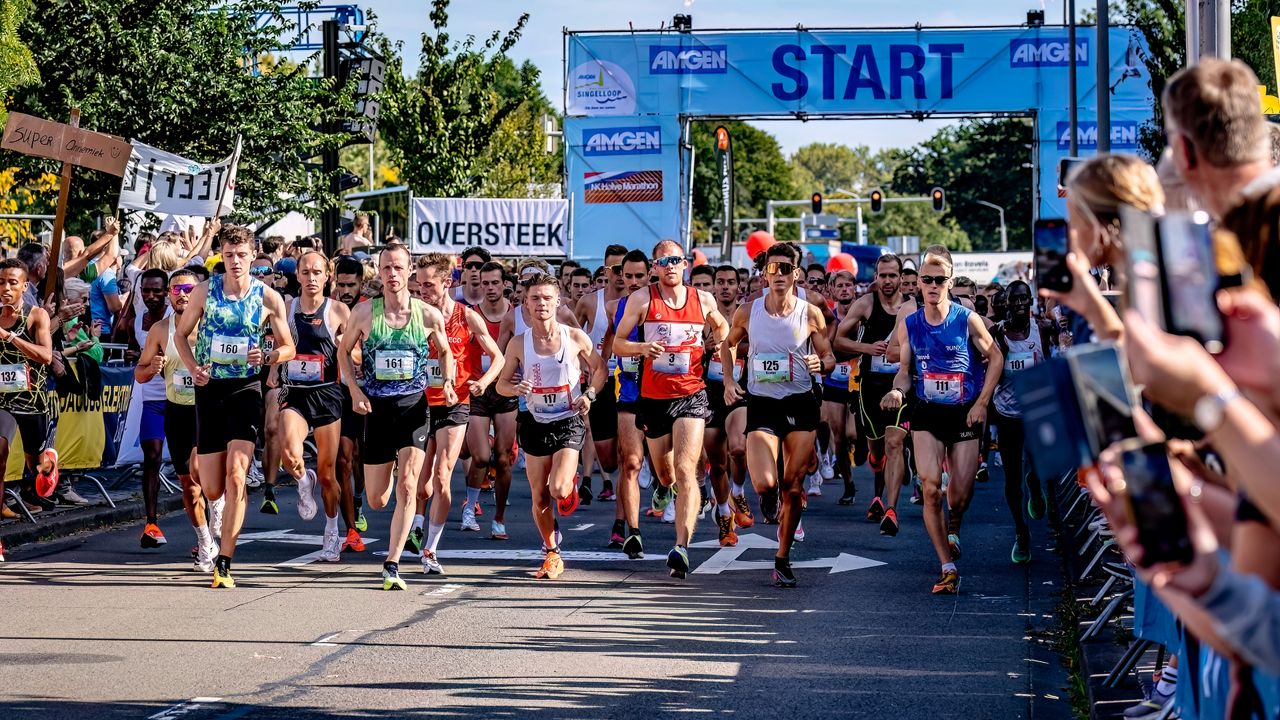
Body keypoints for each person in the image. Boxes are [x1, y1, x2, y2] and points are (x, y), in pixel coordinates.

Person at [174, 225, 296, 589]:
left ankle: (224, 562)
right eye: (229, 255)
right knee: (212, 488)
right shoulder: (203, 291)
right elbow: (181, 336)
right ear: (221, 256)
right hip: (210, 390)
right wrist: (194, 367)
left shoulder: (267, 297)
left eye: (242, 255)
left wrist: (271, 355)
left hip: (246, 389)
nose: (236, 262)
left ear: (252, 254)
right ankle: (215, 497)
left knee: (238, 474)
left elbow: (289, 346)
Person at [882, 249, 1002, 594]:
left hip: (964, 413)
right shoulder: (911, 324)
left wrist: (982, 403)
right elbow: (904, 372)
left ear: (949, 283)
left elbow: (995, 357)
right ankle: (946, 567)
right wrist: (898, 393)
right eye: (926, 279)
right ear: (918, 283)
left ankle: (955, 524)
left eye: (939, 280)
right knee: (931, 488)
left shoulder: (967, 319)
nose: (932, 285)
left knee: (960, 494)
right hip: (928, 413)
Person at [338, 245, 455, 590]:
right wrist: (355, 391)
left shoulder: (428, 315)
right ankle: (384, 475)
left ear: (409, 273)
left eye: (398, 267)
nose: (392, 274)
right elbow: (344, 352)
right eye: (386, 267)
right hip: (375, 409)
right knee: (377, 499)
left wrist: (447, 382)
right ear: (379, 271)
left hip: (413, 407)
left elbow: (445, 351)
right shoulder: (364, 313)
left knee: (409, 485)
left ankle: (392, 563)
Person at [613, 240, 729, 579]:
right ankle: (663, 489)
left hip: (692, 394)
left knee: (685, 467)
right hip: (652, 398)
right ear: (654, 267)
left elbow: (721, 327)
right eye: (663, 261)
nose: (670, 266)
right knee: (665, 474)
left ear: (686, 263)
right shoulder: (642, 299)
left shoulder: (702, 299)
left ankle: (681, 546)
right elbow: (618, 343)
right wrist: (642, 347)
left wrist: (712, 344)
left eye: (676, 260)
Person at [721, 243, 835, 587]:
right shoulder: (747, 311)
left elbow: (829, 356)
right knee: (765, 483)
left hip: (800, 403)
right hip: (762, 402)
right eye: (774, 268)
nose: (780, 274)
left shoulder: (810, 312)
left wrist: (821, 364)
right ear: (764, 273)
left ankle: (782, 556)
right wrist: (729, 379)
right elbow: (727, 344)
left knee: (793, 486)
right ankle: (765, 497)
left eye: (787, 269)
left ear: (796, 274)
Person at [496, 273, 606, 580]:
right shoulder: (519, 344)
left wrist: (590, 395)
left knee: (557, 488)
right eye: (535, 298)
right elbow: (502, 383)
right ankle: (551, 552)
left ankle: (567, 489)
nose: (541, 304)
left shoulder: (574, 337)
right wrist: (515, 389)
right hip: (534, 421)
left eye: (547, 298)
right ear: (526, 304)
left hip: (568, 420)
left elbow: (599, 369)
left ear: (557, 301)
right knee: (539, 497)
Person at [408, 253, 503, 573]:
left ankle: (430, 550)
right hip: (418, 404)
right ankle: (417, 522)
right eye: (418, 284)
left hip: (455, 404)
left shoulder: (467, 317)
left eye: (429, 284)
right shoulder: (412, 315)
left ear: (447, 282)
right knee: (418, 483)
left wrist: (484, 381)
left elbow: (498, 357)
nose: (422, 290)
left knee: (441, 476)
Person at [135, 267, 220, 571]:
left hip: (209, 408)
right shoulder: (160, 330)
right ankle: (205, 540)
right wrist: (153, 366)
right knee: (188, 483)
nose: (182, 295)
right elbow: (140, 374)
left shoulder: (213, 323)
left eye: (188, 290)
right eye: (176, 290)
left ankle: (218, 502)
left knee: (200, 471)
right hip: (177, 409)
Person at [274, 251, 351, 562]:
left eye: (317, 272)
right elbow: (277, 344)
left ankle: (332, 530)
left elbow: (353, 350)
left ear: (327, 275)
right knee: (289, 452)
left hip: (328, 394)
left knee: (329, 474)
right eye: (305, 272)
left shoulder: (338, 311)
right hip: (296, 393)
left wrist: (351, 350)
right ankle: (303, 480)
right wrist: (271, 370)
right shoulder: (287, 308)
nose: (311, 278)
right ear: (298, 276)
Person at [838, 254, 910, 534]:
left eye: (893, 275)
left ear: (901, 277)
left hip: (901, 385)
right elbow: (839, 340)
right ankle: (877, 470)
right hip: (870, 386)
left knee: (895, 443)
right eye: (883, 276)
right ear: (876, 277)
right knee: (877, 449)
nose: (888, 281)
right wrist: (868, 348)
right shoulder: (866, 304)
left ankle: (891, 509)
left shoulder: (911, 307)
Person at [989, 280, 1050, 564]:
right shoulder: (996, 334)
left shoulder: (1043, 330)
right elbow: (989, 371)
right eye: (1014, 300)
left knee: (1037, 468)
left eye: (1025, 298)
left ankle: (1035, 488)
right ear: (1006, 304)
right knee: (1012, 480)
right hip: (1007, 413)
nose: (1020, 304)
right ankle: (1021, 533)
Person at [598, 250, 652, 558]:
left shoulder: (658, 306)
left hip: (661, 394)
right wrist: (600, 367)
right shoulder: (612, 307)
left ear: (649, 275)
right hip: (628, 391)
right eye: (627, 276)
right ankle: (629, 529)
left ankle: (662, 488)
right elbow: (609, 339)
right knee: (627, 462)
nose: (632, 282)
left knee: (667, 470)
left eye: (638, 276)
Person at [464, 262, 519, 539]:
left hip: (505, 391)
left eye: (495, 283)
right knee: (481, 456)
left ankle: (499, 518)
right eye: (484, 283)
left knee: (503, 459)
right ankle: (470, 506)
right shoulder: (471, 315)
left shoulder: (516, 315)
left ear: (504, 284)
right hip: (477, 391)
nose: (490, 288)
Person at [573, 244, 627, 505]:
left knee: (630, 447)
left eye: (623, 269)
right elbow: (571, 338)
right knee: (608, 459)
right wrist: (581, 361)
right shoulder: (589, 301)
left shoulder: (639, 300)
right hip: (601, 380)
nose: (619, 274)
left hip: (631, 380)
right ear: (606, 270)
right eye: (615, 269)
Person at [0, 259, 54, 518]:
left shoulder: (36, 315)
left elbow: (46, 356)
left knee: (36, 465)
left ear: (24, 286)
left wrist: (10, 337)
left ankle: (48, 465)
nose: (6, 288)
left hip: (31, 400)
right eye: (1, 282)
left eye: (12, 283)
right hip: (2, 401)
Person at [703, 264, 751, 546]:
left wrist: (733, 347)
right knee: (717, 464)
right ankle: (724, 516)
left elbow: (758, 346)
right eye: (719, 282)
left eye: (729, 282)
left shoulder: (747, 315)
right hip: (709, 394)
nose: (724, 287)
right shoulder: (703, 318)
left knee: (738, 448)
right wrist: (705, 348)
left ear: (738, 287)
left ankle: (740, 490)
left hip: (740, 391)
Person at [131, 268, 175, 548]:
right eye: (145, 290)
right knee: (152, 457)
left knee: (191, 466)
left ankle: (206, 525)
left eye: (157, 290)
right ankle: (151, 524)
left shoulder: (178, 317)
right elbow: (138, 351)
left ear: (167, 291)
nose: (150, 296)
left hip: (182, 396)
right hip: (152, 397)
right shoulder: (139, 318)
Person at [331, 255, 369, 550]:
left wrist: (352, 351)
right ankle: (350, 529)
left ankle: (358, 498)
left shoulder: (370, 309)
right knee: (342, 458)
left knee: (361, 456)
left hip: (367, 391)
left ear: (360, 284)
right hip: (336, 391)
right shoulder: (327, 307)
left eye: (351, 285)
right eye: (341, 284)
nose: (345, 290)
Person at [816, 268, 858, 500]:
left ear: (854, 289)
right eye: (839, 286)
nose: (844, 289)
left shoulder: (863, 314)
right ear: (831, 290)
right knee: (840, 438)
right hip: (834, 383)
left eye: (847, 285)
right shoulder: (828, 319)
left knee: (852, 434)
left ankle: (860, 451)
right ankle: (849, 484)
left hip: (858, 382)